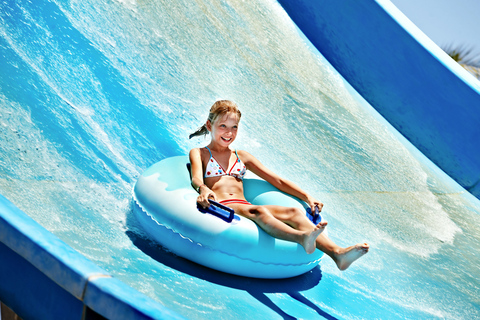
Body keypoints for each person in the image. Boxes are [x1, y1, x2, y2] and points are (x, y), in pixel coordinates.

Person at [189, 100, 369, 270]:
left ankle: (338, 254)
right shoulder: (200, 153)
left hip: (244, 204)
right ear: (209, 125)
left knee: (294, 212)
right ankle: (301, 238)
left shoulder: (242, 156)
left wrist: (307, 197)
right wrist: (203, 189)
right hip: (224, 205)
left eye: (234, 127)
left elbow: (277, 180)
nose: (229, 133)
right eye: (223, 126)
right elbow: (196, 178)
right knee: (260, 212)